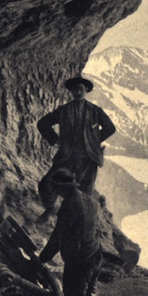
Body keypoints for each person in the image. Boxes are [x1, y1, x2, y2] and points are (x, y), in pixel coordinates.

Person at [37, 76, 115, 214]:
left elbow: (110, 128)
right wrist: (56, 140)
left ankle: (75, 221)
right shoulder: (63, 110)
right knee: (46, 184)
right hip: (67, 156)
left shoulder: (95, 111)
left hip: (88, 159)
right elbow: (43, 123)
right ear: (71, 91)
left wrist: (93, 141)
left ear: (86, 90)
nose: (78, 92)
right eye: (75, 89)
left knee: (84, 194)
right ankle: (50, 208)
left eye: (81, 89)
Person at [37, 168, 103, 296]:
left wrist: (41, 259)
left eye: (55, 188)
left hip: (80, 262)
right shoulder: (90, 200)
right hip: (96, 255)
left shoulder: (69, 205)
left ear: (60, 188)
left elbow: (57, 238)